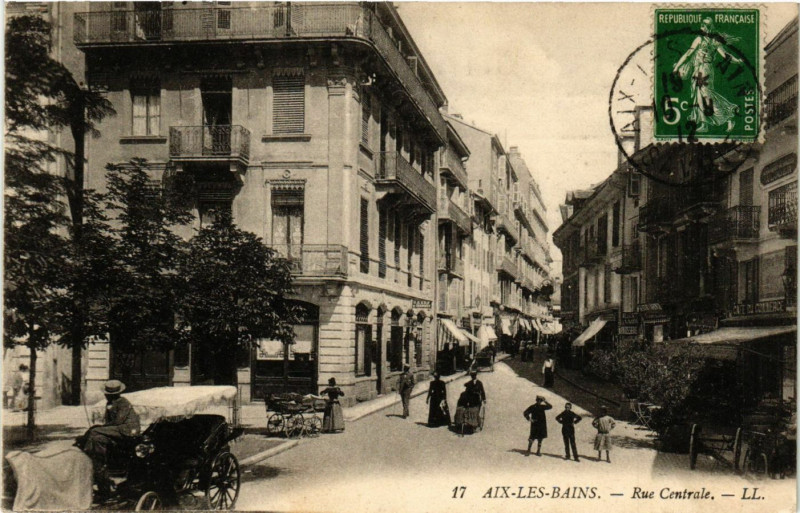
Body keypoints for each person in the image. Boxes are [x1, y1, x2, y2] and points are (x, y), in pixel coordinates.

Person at [672, 17, 743, 133]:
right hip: (699, 69)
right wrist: (737, 61)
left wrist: (737, 61)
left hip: (704, 69)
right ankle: (704, 123)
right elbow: (689, 54)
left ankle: (729, 115)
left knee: (706, 95)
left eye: (703, 26)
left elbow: (725, 55)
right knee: (699, 95)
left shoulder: (705, 40)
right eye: (701, 26)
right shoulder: (710, 40)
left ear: (707, 27)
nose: (701, 28)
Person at [77, 380, 141, 494]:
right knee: (96, 436)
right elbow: (109, 422)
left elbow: (118, 422)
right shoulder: (110, 403)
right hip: (117, 430)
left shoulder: (123, 402)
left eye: (108, 394)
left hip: (127, 430)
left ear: (115, 394)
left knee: (94, 430)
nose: (106, 396)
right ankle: (94, 454)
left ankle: (88, 449)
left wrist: (101, 428)